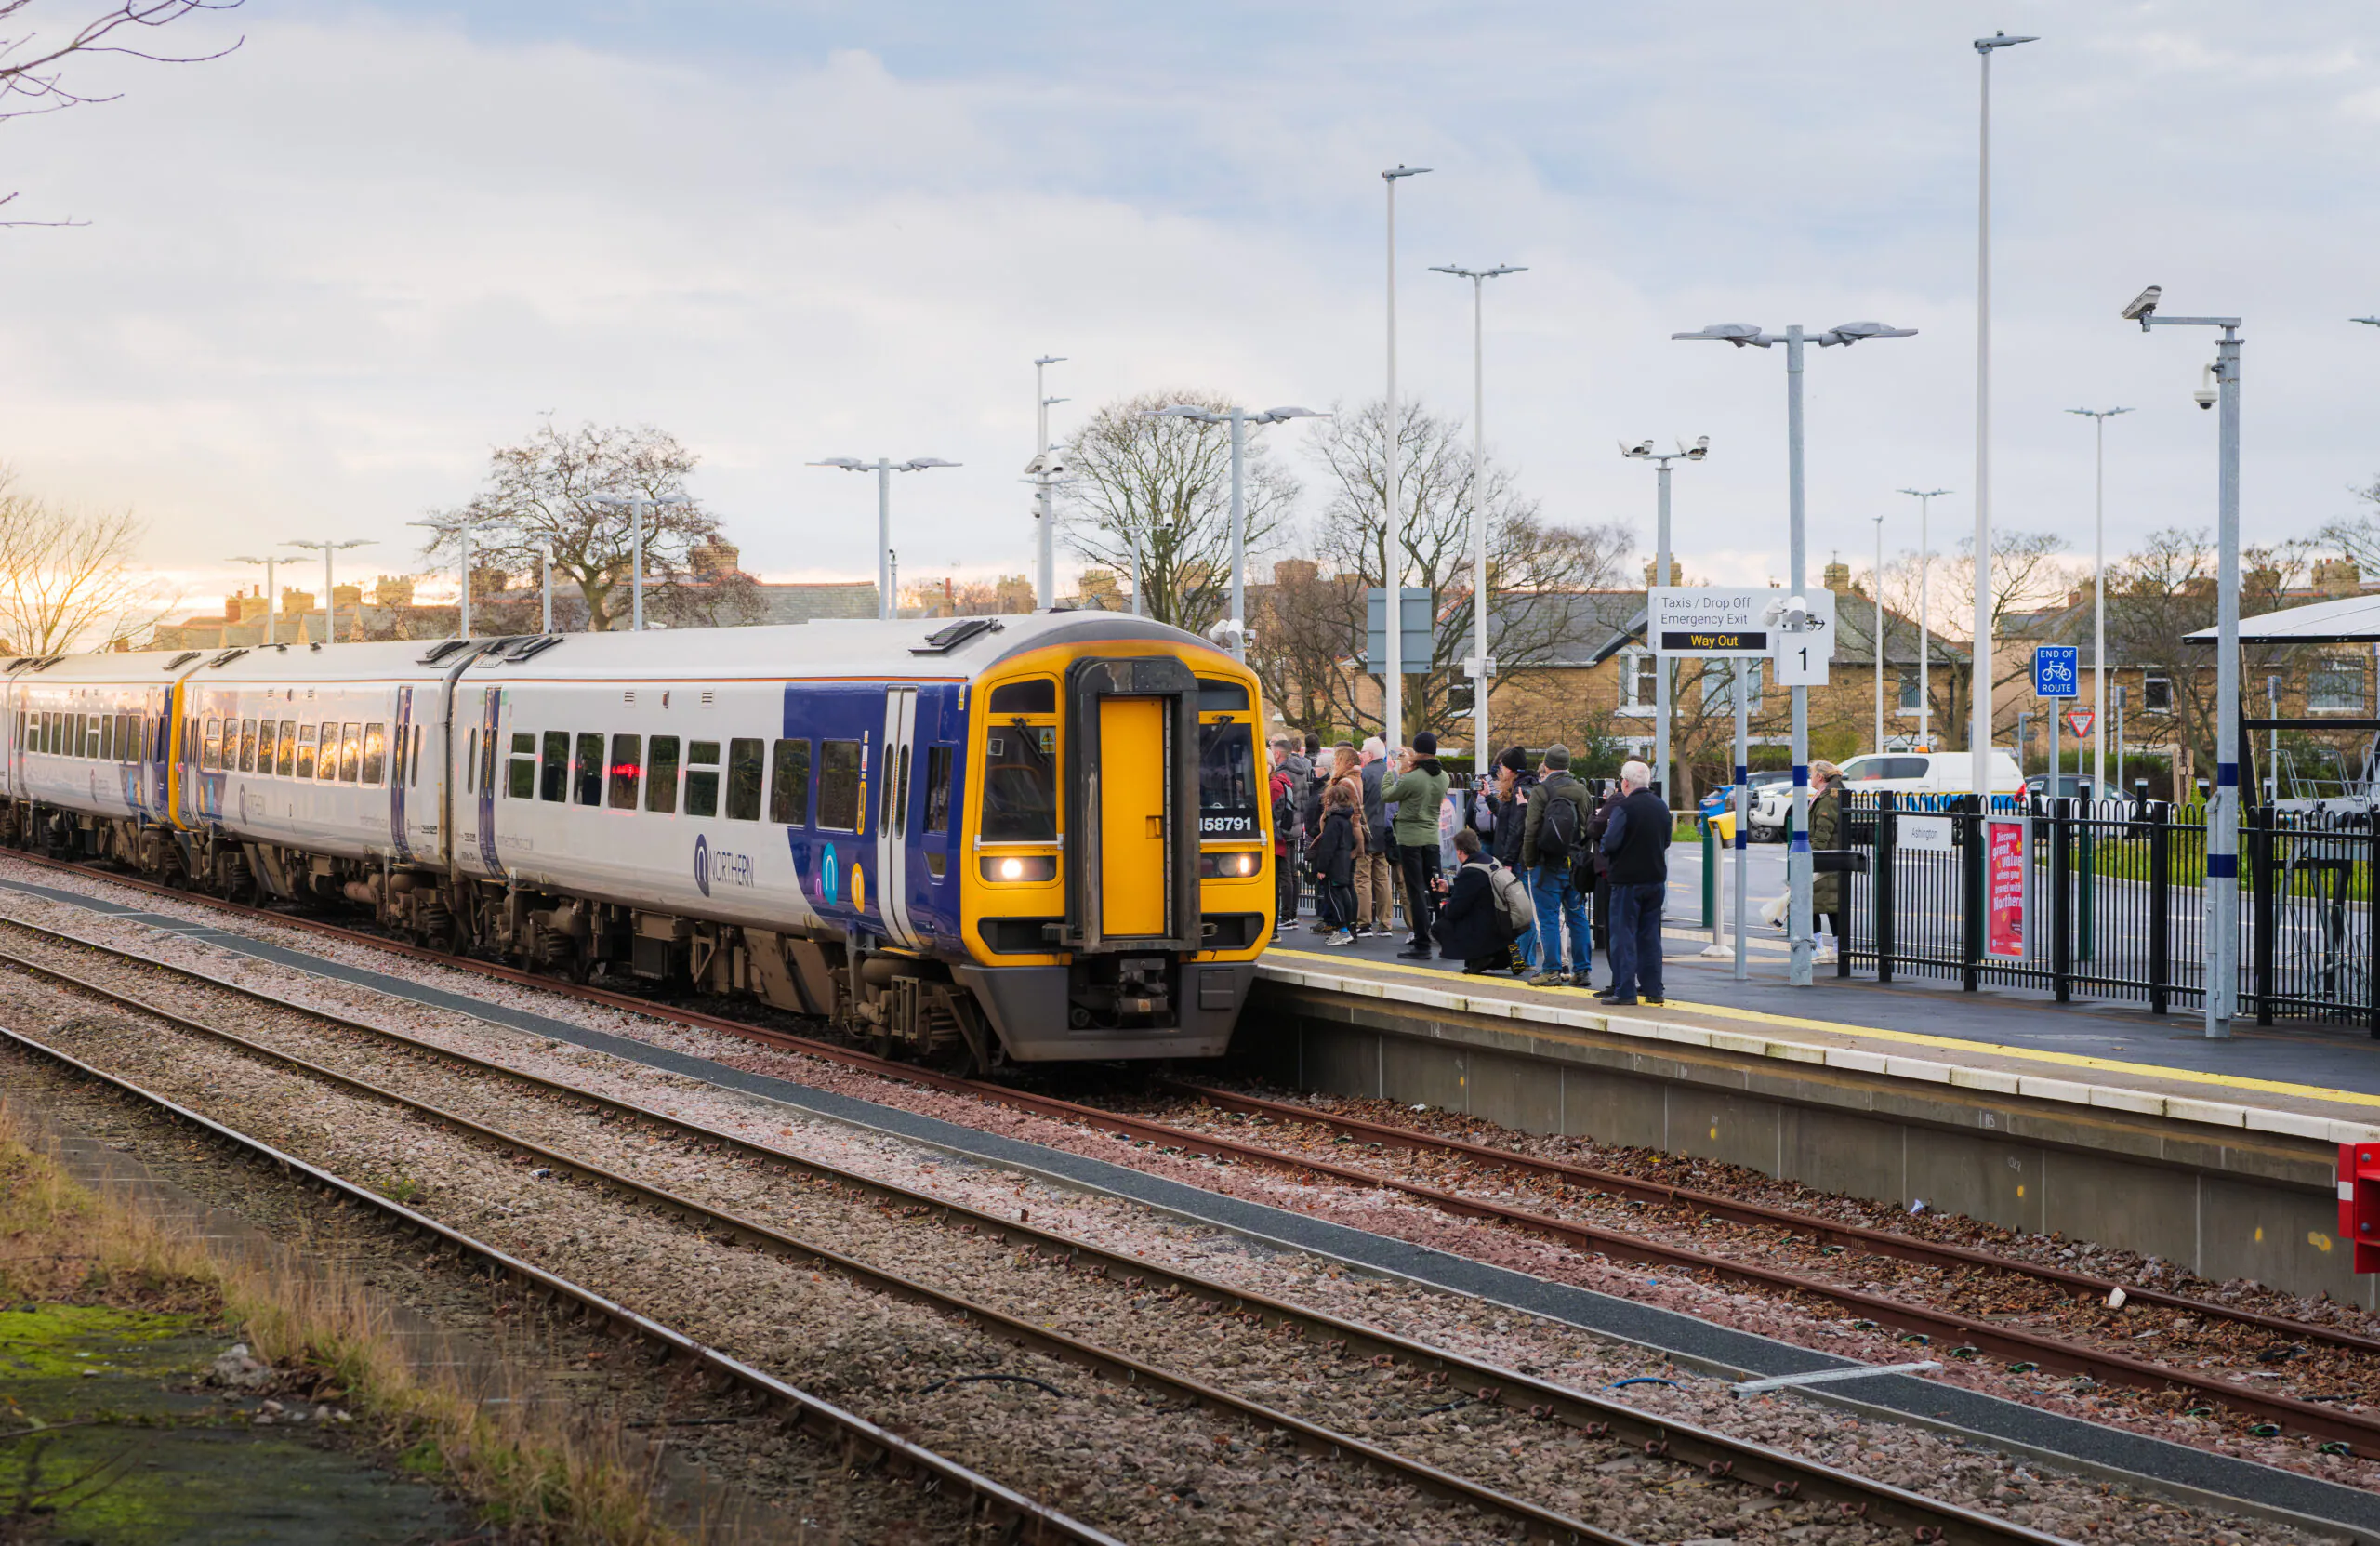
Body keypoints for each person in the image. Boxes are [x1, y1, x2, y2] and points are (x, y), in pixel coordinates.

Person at [1597, 759, 1673, 1007]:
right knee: (1650, 936)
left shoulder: (1624, 808)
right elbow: (1667, 841)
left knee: (1623, 936)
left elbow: (1609, 843)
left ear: (1625, 782)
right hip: (1655, 880)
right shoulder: (1661, 807)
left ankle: (1625, 990)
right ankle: (1654, 989)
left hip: (1627, 882)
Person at [1521, 744, 1593, 986]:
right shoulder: (1582, 791)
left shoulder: (1541, 791)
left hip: (1546, 865)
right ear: (1568, 765)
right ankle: (1582, 971)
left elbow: (1531, 831)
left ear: (1547, 764)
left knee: (1550, 917)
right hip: (1574, 865)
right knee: (1577, 916)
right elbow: (1587, 828)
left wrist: (1529, 862)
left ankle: (1551, 970)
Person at [1380, 733, 1450, 960]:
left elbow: (1387, 796)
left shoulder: (1412, 778)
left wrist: (1390, 773)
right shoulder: (1444, 778)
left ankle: (1422, 943)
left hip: (1410, 839)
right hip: (1432, 838)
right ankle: (1446, 938)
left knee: (1416, 892)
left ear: (1417, 751)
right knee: (1437, 889)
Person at [1435, 827, 1516, 974]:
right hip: (1501, 925)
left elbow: (1455, 910)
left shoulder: (1470, 871)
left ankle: (1479, 958)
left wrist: (1444, 907)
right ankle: (1503, 954)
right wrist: (1449, 889)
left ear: (1460, 851)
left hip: (1483, 930)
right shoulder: (1491, 861)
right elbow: (1474, 891)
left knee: (1440, 927)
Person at [1489, 745, 1537, 972]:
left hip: (1516, 859)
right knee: (1520, 907)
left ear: (1510, 769)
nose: (1500, 770)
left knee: (1521, 909)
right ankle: (1522, 957)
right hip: (1515, 856)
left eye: (1502, 766)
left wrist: (1507, 860)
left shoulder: (1521, 790)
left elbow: (1517, 829)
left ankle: (1524, 958)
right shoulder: (1521, 787)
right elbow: (1508, 820)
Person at [1307, 780, 1361, 946]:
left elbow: (1328, 846)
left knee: (1333, 897)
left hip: (1333, 865)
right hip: (1344, 863)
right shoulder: (1346, 818)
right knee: (1344, 895)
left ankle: (1342, 930)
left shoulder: (1333, 820)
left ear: (1331, 800)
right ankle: (1348, 928)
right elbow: (1351, 841)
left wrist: (1322, 868)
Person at [1808, 760, 1845, 964]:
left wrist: (1813, 855)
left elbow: (1823, 827)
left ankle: (1818, 947)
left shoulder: (1829, 797)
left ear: (1820, 777)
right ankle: (1834, 947)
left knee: (1812, 903)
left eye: (1812, 774)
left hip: (1825, 856)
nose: (1810, 778)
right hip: (1829, 856)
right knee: (1830, 904)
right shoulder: (1829, 794)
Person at [1357, 737, 1394, 936]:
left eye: (1363, 752)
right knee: (1382, 879)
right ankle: (1386, 923)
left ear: (1370, 755)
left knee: (1362, 878)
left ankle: (1364, 923)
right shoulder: (1392, 775)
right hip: (1386, 832)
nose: (1361, 755)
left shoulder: (1364, 774)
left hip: (1366, 831)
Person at [1267, 737, 1303, 937]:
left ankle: (1286, 915)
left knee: (1283, 876)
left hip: (1280, 832)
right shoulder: (1299, 770)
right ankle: (1290, 915)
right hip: (1293, 827)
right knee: (1290, 873)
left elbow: (1272, 812)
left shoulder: (1277, 780)